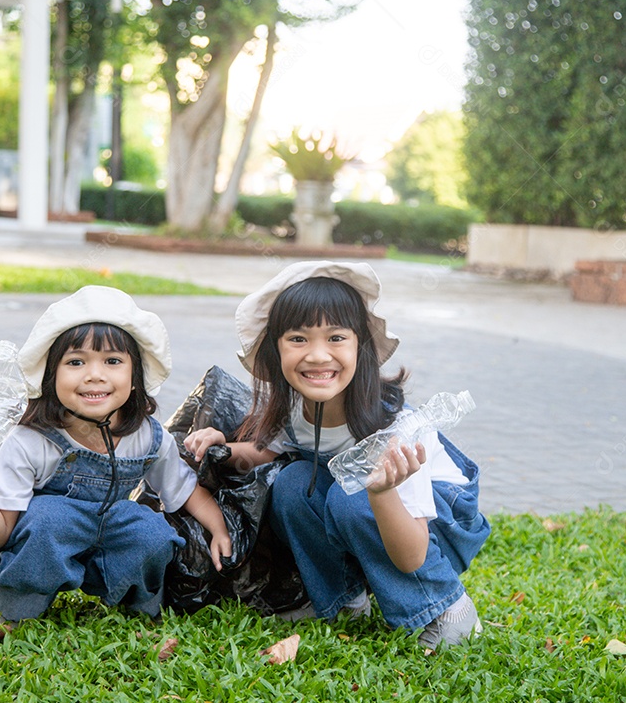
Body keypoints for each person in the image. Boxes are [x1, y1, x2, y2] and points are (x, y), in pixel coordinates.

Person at [184, 261, 490, 650]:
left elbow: (413, 553)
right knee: (293, 483)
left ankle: (446, 606)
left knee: (350, 495)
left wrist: (380, 493)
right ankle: (344, 600)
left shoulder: (396, 432)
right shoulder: (298, 406)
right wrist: (222, 448)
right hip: (364, 503)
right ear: (276, 348)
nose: (316, 356)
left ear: (360, 346)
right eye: (298, 338)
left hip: (438, 522)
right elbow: (270, 451)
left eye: (335, 338)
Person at [0, 286, 231, 623]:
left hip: (112, 529)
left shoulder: (148, 436)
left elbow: (185, 492)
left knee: (151, 531)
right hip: (48, 540)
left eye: (113, 361)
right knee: (50, 517)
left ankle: (138, 611)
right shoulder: (28, 441)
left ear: (136, 377)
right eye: (76, 361)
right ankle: (18, 611)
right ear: (51, 377)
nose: (95, 374)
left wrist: (220, 529)